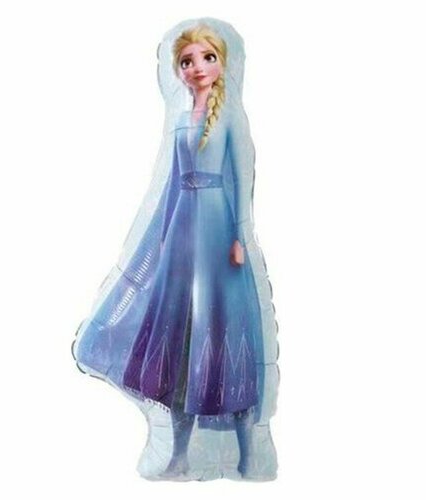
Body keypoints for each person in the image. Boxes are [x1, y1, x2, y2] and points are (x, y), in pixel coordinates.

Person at [72, 18, 279, 482]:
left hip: (218, 230)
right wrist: (162, 238)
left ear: (223, 63)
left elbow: (241, 179)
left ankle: (248, 451)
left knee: (223, 331)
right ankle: (179, 452)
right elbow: (170, 184)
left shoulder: (231, 117)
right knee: (179, 337)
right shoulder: (182, 116)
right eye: (187, 61)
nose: (197, 67)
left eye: (208, 57)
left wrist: (240, 236)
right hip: (182, 231)